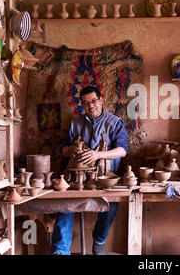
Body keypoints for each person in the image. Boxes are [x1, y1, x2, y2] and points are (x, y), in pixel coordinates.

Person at [51, 85, 129, 255]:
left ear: (101, 100)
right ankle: (60, 251)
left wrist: (97, 155)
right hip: (78, 178)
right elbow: (61, 150)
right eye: (86, 103)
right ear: (82, 106)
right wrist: (70, 149)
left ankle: (99, 241)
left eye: (94, 101)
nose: (91, 105)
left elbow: (122, 150)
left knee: (112, 205)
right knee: (65, 204)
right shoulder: (76, 123)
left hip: (104, 178)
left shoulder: (115, 122)